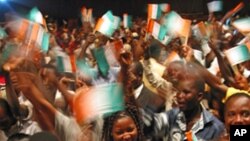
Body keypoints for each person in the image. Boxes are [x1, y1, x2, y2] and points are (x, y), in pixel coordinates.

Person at [142, 64, 225, 140]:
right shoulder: (170, 117)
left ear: (199, 96)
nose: (180, 96)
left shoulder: (214, 127)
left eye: (186, 92)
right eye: (178, 91)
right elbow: (144, 128)